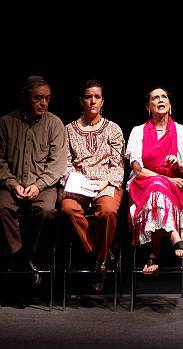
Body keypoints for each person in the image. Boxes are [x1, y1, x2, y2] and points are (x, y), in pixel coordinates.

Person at [0, 75, 67, 286]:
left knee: (46, 210)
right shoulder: (6, 123)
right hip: (12, 183)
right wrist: (13, 184)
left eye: (47, 98)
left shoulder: (54, 124)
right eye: (38, 98)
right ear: (25, 98)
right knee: (1, 206)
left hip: (42, 185)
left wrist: (38, 185)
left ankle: (26, 255)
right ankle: (20, 256)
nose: (44, 103)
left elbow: (57, 164)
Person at [60, 80, 125, 290]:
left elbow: (118, 164)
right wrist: (78, 180)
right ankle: (98, 253)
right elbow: (65, 163)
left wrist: (105, 181)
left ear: (103, 101)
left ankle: (100, 261)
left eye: (97, 97)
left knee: (107, 211)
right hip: (80, 183)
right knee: (68, 208)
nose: (93, 101)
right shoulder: (68, 129)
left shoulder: (113, 129)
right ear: (82, 100)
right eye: (89, 96)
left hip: (105, 182)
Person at [126, 87, 183, 274]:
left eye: (164, 96)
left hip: (175, 187)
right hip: (143, 184)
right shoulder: (138, 132)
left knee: (158, 188)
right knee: (157, 186)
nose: (160, 100)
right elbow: (138, 170)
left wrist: (180, 167)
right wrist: (167, 179)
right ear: (148, 106)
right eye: (155, 98)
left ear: (170, 104)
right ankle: (175, 237)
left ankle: (154, 254)